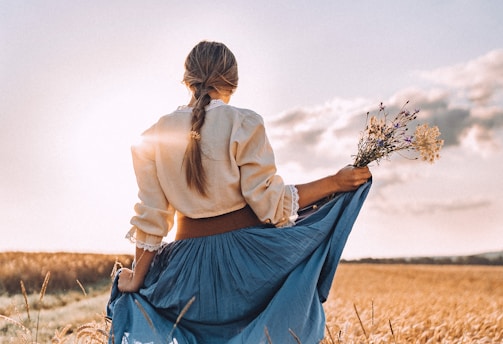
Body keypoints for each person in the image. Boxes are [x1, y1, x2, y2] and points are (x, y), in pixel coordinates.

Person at [107, 41, 372, 343]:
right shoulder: (244, 123)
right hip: (250, 267)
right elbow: (270, 205)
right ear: (232, 83)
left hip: (187, 274)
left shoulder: (152, 137)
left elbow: (151, 218)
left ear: (186, 80)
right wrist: (335, 183)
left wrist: (136, 279)